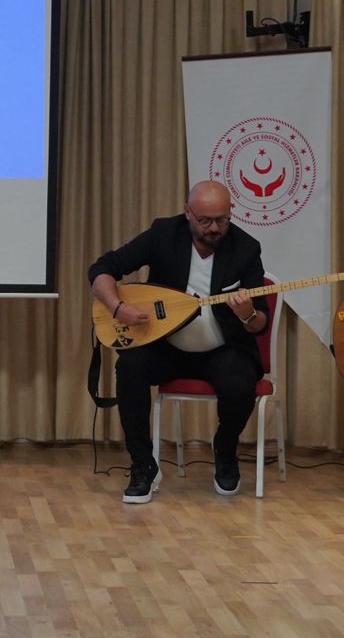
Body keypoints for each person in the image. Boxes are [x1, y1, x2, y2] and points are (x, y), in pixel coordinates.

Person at [89, 180, 268, 502]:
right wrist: (117, 307)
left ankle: (225, 449)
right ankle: (143, 465)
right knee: (130, 366)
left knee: (241, 381)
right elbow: (103, 268)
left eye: (222, 220)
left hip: (221, 349)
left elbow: (260, 323)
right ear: (188, 213)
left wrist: (247, 314)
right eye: (205, 220)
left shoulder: (246, 248)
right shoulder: (163, 234)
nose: (215, 228)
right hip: (166, 346)